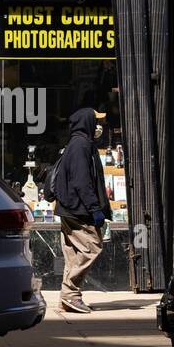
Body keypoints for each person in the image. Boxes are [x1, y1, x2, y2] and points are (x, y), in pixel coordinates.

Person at [54, 107, 112, 314]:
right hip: (78, 211)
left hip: (70, 209)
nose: (99, 127)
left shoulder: (78, 143)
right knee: (92, 248)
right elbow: (82, 181)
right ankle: (70, 293)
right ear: (87, 122)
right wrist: (94, 208)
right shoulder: (81, 145)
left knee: (73, 254)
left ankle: (68, 298)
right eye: (96, 122)